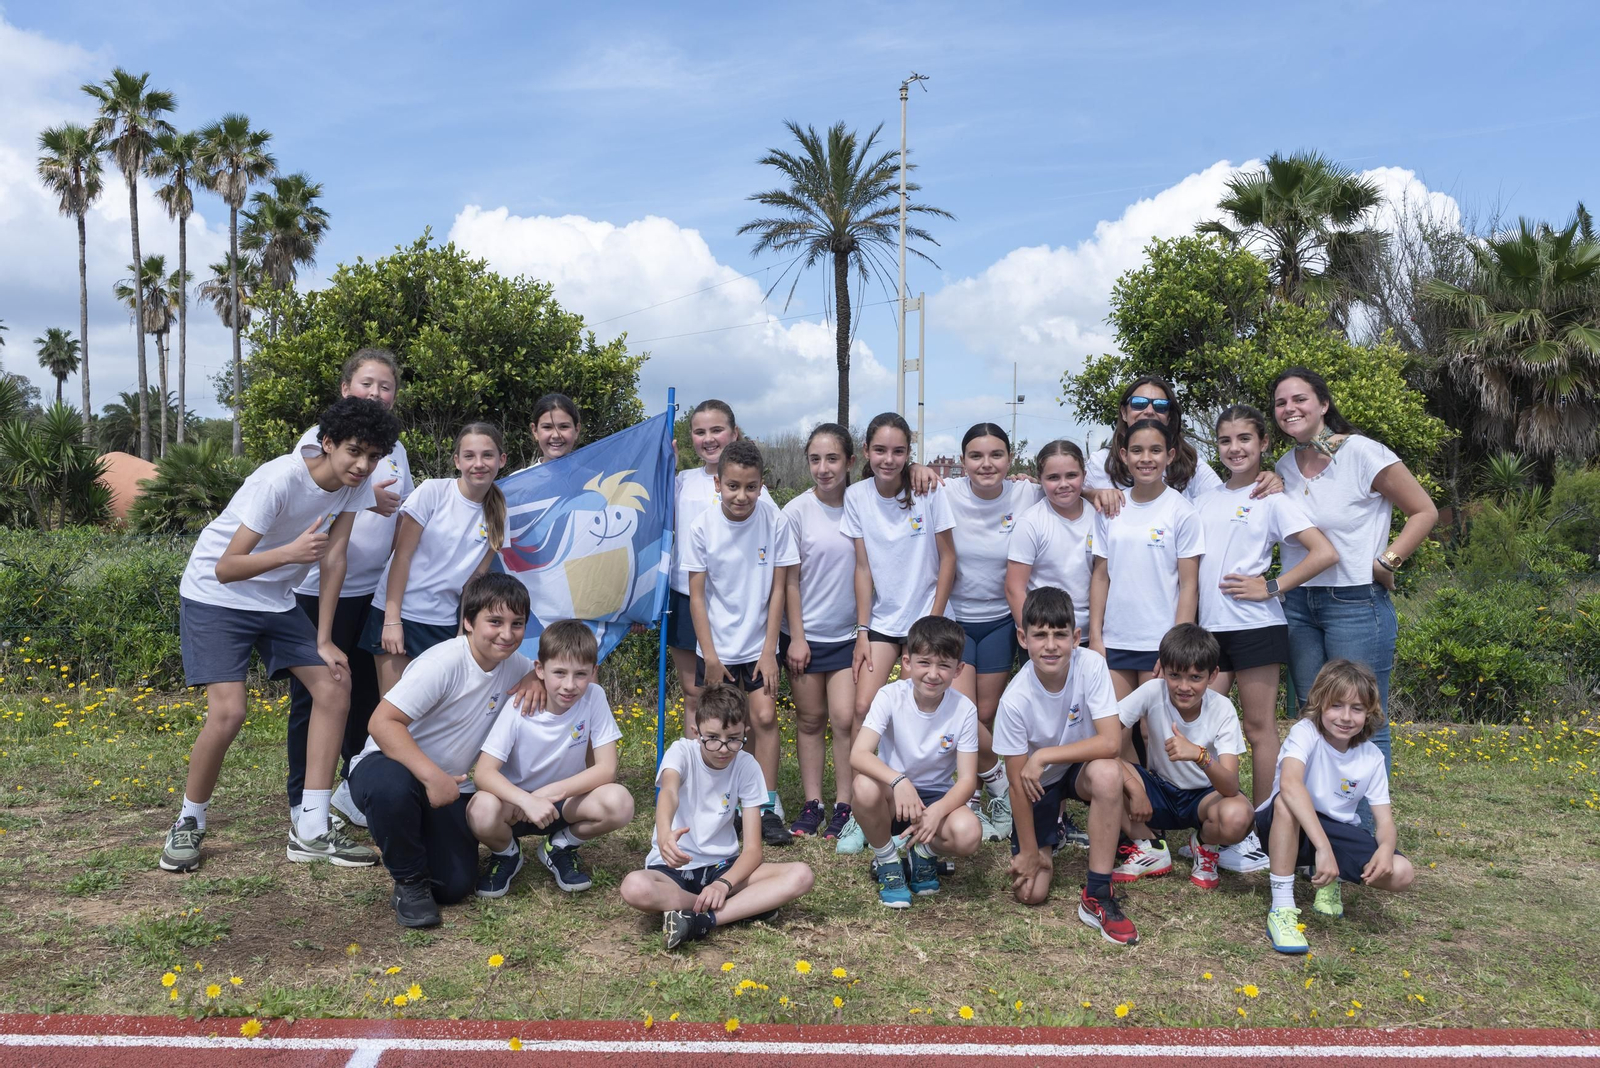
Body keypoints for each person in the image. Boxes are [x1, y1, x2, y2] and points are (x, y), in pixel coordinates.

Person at [161, 396, 399, 874]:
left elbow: (334, 558)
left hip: (276, 600)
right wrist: (290, 554)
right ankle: (188, 821)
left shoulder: (353, 486)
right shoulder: (280, 479)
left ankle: (310, 827)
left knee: (335, 682)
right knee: (229, 713)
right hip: (216, 596)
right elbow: (227, 567)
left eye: (373, 456)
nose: (362, 465)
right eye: (354, 451)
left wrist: (325, 639)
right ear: (326, 443)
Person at [1270, 367, 1437, 829]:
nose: (1290, 409)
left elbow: (1424, 510)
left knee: (1361, 720)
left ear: (1323, 404)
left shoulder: (1363, 452)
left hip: (1356, 605)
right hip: (1300, 605)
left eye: (1299, 399)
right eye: (1281, 403)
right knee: (1316, 718)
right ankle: (1320, 831)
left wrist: (1387, 562)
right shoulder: (1285, 465)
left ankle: (1366, 835)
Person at [347, 573, 543, 928]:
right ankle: (409, 883)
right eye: (494, 621)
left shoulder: (517, 666)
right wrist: (431, 776)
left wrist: (537, 676)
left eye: (517, 624)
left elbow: (570, 669)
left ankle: (419, 846)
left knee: (454, 886)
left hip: (452, 787)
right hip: (388, 764)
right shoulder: (443, 663)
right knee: (390, 787)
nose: (506, 633)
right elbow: (382, 723)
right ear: (468, 622)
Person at [1193, 404, 1338, 874]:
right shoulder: (1205, 498)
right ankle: (1216, 827)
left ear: (1263, 444)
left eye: (1244, 440)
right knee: (1204, 731)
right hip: (1208, 630)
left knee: (1258, 730)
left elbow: (1323, 552)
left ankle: (1259, 826)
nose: (1235, 449)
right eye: (1225, 441)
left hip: (1256, 626)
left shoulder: (1273, 497)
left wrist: (1272, 585)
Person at [285, 349, 412, 834]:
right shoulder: (318, 441)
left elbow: (403, 511)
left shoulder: (394, 447)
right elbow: (313, 503)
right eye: (367, 383)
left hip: (370, 591)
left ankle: (351, 788)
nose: (377, 393)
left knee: (363, 696)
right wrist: (365, 499)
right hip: (317, 589)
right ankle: (302, 799)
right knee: (315, 692)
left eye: (386, 386)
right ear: (345, 389)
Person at [836, 412, 957, 854]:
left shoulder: (927, 490)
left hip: (926, 620)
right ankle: (858, 808)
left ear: (910, 454)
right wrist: (863, 630)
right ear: (866, 453)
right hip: (882, 623)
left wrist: (935, 624)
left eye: (899, 450)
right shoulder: (856, 496)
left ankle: (923, 806)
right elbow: (863, 567)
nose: (889, 459)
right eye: (881, 450)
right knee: (863, 706)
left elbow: (948, 559)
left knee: (921, 709)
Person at [620, 684, 816, 949]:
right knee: (634, 887)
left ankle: (703, 920)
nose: (723, 749)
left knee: (801, 874)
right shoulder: (682, 751)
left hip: (723, 868)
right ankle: (739, 908)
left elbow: (753, 851)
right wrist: (665, 832)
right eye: (712, 738)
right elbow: (669, 791)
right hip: (673, 870)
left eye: (734, 739)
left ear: (746, 732)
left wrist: (723, 884)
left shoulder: (747, 766)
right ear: (695, 732)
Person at [992, 587, 1134, 946]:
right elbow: (1016, 783)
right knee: (1030, 893)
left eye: (1059, 634)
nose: (1050, 645)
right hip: (1038, 786)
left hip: (1077, 768)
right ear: (1023, 639)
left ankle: (1098, 894)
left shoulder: (1091, 665)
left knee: (1108, 771)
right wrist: (1027, 851)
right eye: (1040, 635)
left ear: (1076, 637)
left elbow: (1111, 742)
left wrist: (1043, 755)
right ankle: (1046, 840)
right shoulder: (1014, 700)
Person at [683, 439, 798, 846]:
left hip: (758, 646)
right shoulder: (701, 527)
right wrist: (710, 657)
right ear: (718, 484)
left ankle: (765, 806)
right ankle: (717, 802)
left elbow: (778, 591)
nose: (741, 496)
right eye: (733, 486)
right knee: (716, 726)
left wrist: (770, 651)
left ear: (761, 484)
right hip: (716, 649)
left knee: (764, 718)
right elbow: (696, 596)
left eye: (750, 487)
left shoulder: (775, 520)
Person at [1256, 659, 1415, 955]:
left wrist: (1385, 848)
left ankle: (1331, 878)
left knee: (1402, 872)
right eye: (1336, 706)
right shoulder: (1305, 732)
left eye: (1356, 708)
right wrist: (1324, 848)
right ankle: (1282, 908)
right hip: (1282, 825)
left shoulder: (1371, 757)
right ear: (1319, 704)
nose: (1346, 717)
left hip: (1332, 831)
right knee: (1286, 803)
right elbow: (1290, 785)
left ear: (1369, 713)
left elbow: (1385, 822)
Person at [466, 619, 635, 898]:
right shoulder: (519, 706)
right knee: (480, 810)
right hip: (514, 806)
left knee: (620, 803)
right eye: (559, 673)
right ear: (539, 670)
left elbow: (607, 769)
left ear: (594, 672)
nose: (570, 685)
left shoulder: (595, 696)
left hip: (563, 804)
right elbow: (483, 773)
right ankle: (507, 852)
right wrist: (526, 799)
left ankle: (560, 846)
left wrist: (546, 794)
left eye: (581, 674)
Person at [944, 423, 1043, 844]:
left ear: (1010, 460)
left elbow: (1073, 487)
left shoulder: (1026, 492)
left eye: (997, 455)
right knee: (963, 715)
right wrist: (916, 468)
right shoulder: (945, 493)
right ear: (962, 460)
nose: (987, 464)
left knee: (986, 716)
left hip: (1003, 620)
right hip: (956, 621)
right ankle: (991, 784)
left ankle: (984, 797)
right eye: (977, 456)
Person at [358, 423, 508, 696]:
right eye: (469, 456)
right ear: (457, 460)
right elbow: (401, 557)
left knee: (431, 717)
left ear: (501, 459)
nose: (479, 464)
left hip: (445, 625)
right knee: (392, 713)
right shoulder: (432, 492)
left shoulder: (499, 514)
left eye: (487, 455)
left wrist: (464, 634)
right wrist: (392, 622)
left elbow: (474, 583)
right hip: (399, 615)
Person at [848, 615, 982, 908]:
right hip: (892, 795)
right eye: (924, 663)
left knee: (968, 833)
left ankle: (924, 854)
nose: (933, 674)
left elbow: (968, 780)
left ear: (958, 670)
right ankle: (888, 862)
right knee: (863, 786)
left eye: (944, 665)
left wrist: (937, 812)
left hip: (935, 799)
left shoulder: (964, 710)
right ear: (906, 662)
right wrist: (899, 780)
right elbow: (858, 754)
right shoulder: (889, 696)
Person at [1112, 624, 1255, 890]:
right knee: (1100, 768)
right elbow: (1105, 737)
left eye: (1195, 677)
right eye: (1175, 675)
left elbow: (1230, 786)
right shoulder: (1152, 691)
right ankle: (1150, 846)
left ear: (1212, 675)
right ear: (1162, 670)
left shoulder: (1222, 708)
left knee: (1237, 816)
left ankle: (1204, 844)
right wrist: (1133, 787)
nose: (1184, 686)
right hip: (1158, 789)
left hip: (1204, 797)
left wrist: (1200, 755)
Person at [666, 400, 768, 736]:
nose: (708, 439)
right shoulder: (680, 480)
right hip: (686, 597)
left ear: (734, 433)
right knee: (695, 694)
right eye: (699, 432)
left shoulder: (756, 492)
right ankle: (698, 775)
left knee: (738, 703)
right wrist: (665, 468)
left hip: (737, 605)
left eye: (717, 430)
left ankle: (743, 779)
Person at [781, 423, 861, 840]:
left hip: (849, 636)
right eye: (815, 459)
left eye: (832, 459)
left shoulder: (865, 503)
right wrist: (796, 637)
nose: (824, 468)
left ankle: (846, 805)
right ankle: (813, 803)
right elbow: (789, 581)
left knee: (845, 720)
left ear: (850, 461)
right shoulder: (795, 511)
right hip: (805, 637)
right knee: (811, 720)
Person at [1088, 418, 1205, 699]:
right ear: (1124, 455)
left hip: (1160, 642)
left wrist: (1176, 649)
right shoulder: (1111, 508)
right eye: (1137, 451)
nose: (1146, 459)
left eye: (1155, 450)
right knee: (1115, 731)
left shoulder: (1182, 511)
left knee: (1151, 732)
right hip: (1115, 641)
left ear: (1170, 456)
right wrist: (1096, 638)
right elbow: (1101, 576)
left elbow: (1189, 586)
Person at [1006, 440, 1094, 629]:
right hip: (1043, 635)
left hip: (1089, 633)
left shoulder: (1099, 518)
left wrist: (1097, 634)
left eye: (1071, 475)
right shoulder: (1031, 522)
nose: (1063, 484)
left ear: (1084, 475)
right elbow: (1015, 589)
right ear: (1040, 478)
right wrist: (1035, 635)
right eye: (1053, 477)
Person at [526, 392, 581, 467]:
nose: (556, 435)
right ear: (535, 431)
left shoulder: (595, 477)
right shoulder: (520, 478)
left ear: (577, 430)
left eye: (564, 426)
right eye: (547, 427)